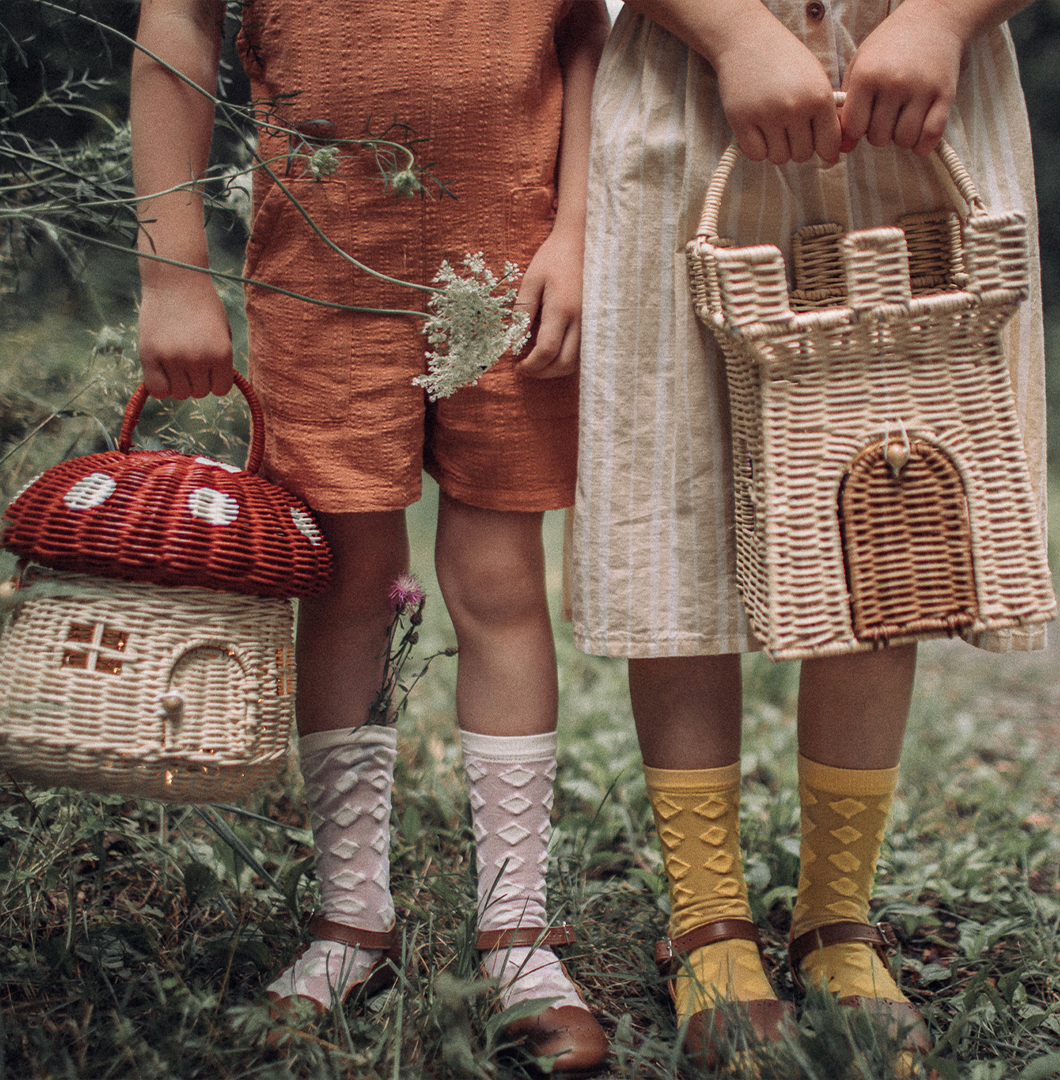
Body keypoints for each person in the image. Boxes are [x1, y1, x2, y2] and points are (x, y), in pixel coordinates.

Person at [130, 1, 610, 1072]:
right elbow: (179, 24)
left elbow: (584, 32)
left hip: (514, 261)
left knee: (498, 576)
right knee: (347, 577)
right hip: (320, 270)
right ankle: (351, 921)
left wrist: (579, 233)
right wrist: (171, 274)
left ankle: (518, 936)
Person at [572, 0, 1045, 1069]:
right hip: (697, 90)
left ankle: (836, 916)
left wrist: (942, 18)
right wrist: (734, 31)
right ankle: (708, 922)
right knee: (676, 490)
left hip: (922, 94)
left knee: (889, 506)